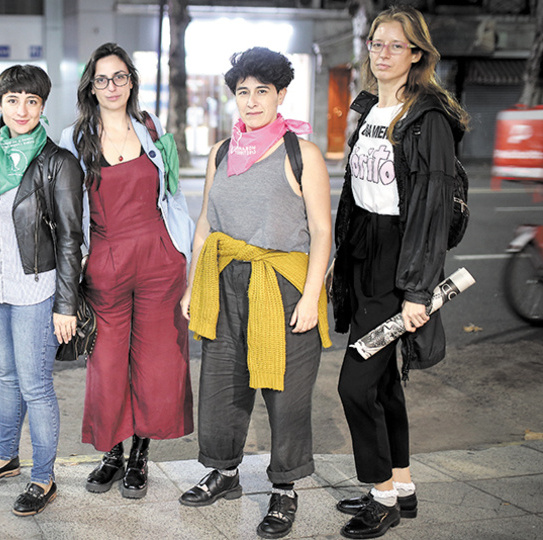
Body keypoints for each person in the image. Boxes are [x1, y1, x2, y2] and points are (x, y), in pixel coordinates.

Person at [179, 47, 332, 540]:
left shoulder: (300, 152)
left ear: (280, 94)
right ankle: (224, 472)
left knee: (285, 396)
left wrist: (311, 298)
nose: (250, 101)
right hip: (225, 283)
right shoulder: (222, 152)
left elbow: (323, 232)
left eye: (261, 91)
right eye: (242, 92)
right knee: (222, 384)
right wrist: (191, 285)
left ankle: (285, 489)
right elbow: (206, 222)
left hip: (283, 285)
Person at [332, 6, 468, 539]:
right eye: (376, 42)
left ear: (417, 54)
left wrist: (417, 290)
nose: (381, 53)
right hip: (365, 250)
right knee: (385, 382)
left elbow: (431, 210)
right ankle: (403, 487)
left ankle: (380, 495)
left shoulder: (428, 117)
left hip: (400, 257)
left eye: (395, 45)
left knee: (354, 386)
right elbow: (357, 192)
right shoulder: (368, 106)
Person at [61, 42, 195, 500]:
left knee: (156, 363)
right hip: (105, 261)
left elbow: (173, 196)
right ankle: (112, 454)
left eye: (119, 77)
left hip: (159, 259)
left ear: (131, 81)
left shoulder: (153, 131)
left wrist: (183, 256)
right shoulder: (73, 138)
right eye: (102, 79)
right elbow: (65, 213)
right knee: (108, 364)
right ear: (90, 87)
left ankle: (140, 453)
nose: (112, 86)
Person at [0, 65, 83, 517]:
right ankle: (5, 456)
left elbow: (72, 237)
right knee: (6, 375)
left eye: (32, 101)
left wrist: (65, 304)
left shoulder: (58, 163)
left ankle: (43, 476)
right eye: (13, 100)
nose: (22, 109)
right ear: (0, 104)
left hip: (37, 290)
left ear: (43, 107)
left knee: (35, 385)